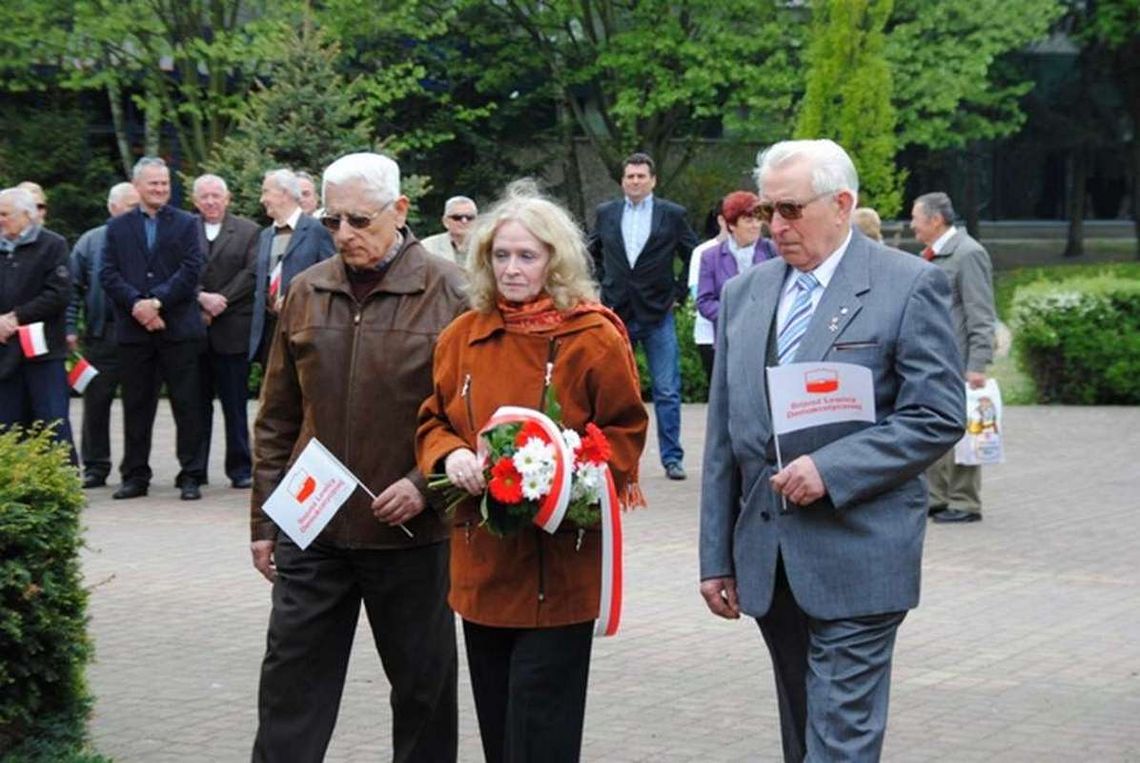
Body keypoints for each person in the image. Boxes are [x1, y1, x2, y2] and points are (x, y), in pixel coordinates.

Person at [699, 139, 965, 762]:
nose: (776, 226)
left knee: (838, 743)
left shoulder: (908, 285)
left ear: (842, 204)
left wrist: (832, 468)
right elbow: (725, 438)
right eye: (767, 212)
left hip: (860, 553)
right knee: (804, 735)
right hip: (770, 559)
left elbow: (936, 414)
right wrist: (716, 556)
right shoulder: (747, 293)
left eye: (790, 209)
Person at [417, 180, 648, 762]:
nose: (512, 269)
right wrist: (451, 455)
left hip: (559, 569)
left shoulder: (592, 336)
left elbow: (624, 431)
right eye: (501, 256)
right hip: (482, 567)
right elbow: (432, 420)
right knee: (499, 733)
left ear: (555, 259)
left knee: (541, 735)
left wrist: (563, 474)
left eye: (527, 256)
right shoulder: (461, 337)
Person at [250, 152, 467, 762]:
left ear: (400, 211)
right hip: (312, 527)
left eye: (359, 220)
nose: (344, 234)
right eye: (332, 220)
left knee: (424, 694)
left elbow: (475, 421)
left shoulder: (452, 293)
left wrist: (426, 486)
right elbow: (277, 416)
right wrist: (266, 524)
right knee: (290, 686)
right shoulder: (306, 289)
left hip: (412, 533)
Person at [587, 152, 698, 481]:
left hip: (657, 311)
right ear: (622, 180)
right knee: (610, 388)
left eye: (641, 176)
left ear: (653, 180)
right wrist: (604, 282)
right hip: (617, 311)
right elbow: (591, 251)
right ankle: (604, 454)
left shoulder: (672, 215)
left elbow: (693, 252)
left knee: (666, 389)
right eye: (630, 176)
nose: (635, 181)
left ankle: (672, 457)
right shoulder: (606, 213)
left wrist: (678, 293)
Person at [101, 156, 207, 501]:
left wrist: (157, 303)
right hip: (134, 333)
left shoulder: (188, 223)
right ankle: (134, 475)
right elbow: (108, 273)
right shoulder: (117, 227)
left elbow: (192, 269)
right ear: (137, 187)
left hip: (178, 329)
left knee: (187, 404)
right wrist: (137, 305)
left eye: (165, 183)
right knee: (136, 405)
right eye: (153, 184)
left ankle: (191, 474)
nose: (160, 189)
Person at [910, 191, 996, 524]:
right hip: (935, 358)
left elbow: (980, 312)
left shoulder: (968, 253)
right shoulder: (935, 255)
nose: (913, 225)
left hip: (959, 362)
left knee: (966, 431)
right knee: (939, 428)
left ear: (935, 220)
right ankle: (939, 496)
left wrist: (977, 364)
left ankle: (964, 502)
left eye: (916, 218)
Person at [67, 181, 140, 487]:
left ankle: (135, 469)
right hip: (102, 334)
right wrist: (70, 327)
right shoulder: (90, 241)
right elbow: (71, 288)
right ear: (113, 208)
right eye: (130, 206)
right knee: (96, 403)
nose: (136, 212)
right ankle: (96, 466)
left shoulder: (144, 240)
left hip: (138, 336)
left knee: (138, 404)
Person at [192, 174, 261, 489]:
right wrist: (200, 297)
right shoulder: (183, 230)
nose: (210, 202)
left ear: (227, 198)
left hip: (232, 329)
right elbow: (174, 269)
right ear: (195, 201)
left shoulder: (249, 231)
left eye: (216, 196)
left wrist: (221, 300)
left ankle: (240, 468)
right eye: (204, 196)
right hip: (193, 331)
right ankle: (195, 469)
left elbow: (251, 272)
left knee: (235, 405)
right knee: (195, 405)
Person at [0, 186, 76, 461]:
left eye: (5, 214)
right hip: (5, 352)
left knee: (52, 419)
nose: (0, 219)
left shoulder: (53, 244)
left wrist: (15, 317)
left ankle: (63, 485)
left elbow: (59, 293)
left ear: (27, 215)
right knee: (7, 423)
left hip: (43, 351)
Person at [248, 168, 334, 365]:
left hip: (304, 329)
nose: (262, 199)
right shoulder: (266, 235)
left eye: (266, 192)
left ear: (284, 194)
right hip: (269, 331)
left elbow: (332, 278)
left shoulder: (318, 231)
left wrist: (297, 298)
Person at [696, 190, 777, 339]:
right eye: (748, 220)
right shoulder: (710, 256)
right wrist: (736, 315)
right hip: (728, 336)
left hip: (768, 335)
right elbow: (704, 302)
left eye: (758, 220)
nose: (756, 226)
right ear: (732, 225)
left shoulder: (773, 251)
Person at [687, 202, 726, 382]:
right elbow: (698, 294)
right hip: (709, 335)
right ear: (721, 220)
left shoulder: (764, 250)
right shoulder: (702, 252)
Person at [420, 195, 478, 265]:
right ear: (445, 221)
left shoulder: (486, 245)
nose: (464, 221)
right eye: (457, 217)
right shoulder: (427, 247)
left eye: (469, 217)